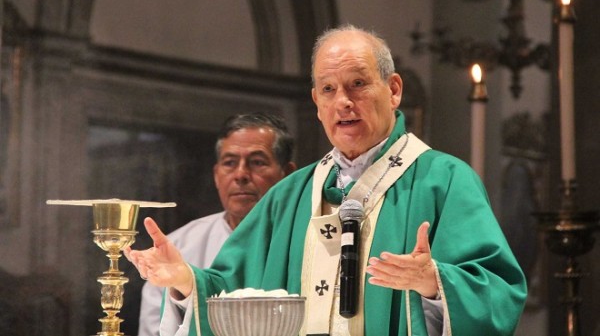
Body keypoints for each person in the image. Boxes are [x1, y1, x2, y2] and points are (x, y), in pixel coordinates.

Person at [127, 24, 527, 336]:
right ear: (316, 102)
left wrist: (436, 282)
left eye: (358, 84)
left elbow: (498, 292)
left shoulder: (445, 180)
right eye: (329, 89)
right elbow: (233, 292)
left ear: (393, 89)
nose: (344, 102)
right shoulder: (289, 195)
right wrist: (185, 281)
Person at [137, 112, 297, 336]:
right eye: (230, 163)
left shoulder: (304, 241)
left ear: (288, 175)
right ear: (216, 175)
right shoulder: (176, 247)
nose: (241, 174)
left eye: (257, 162)